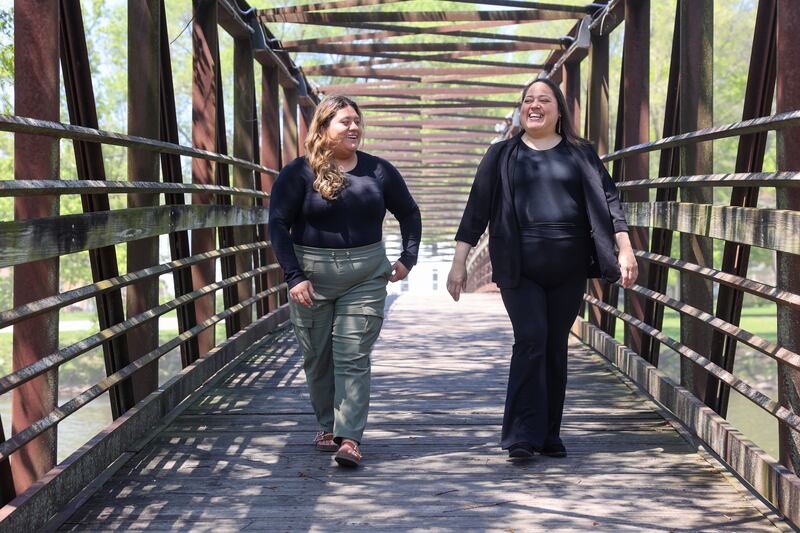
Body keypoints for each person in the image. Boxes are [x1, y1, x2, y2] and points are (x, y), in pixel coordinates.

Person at [446, 78, 638, 459]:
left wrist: (626, 249)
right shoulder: (501, 155)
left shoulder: (580, 153)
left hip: (568, 267)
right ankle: (520, 435)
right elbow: (476, 210)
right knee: (531, 339)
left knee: (554, 347)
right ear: (521, 109)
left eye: (544, 99)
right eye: (528, 99)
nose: (534, 105)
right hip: (519, 267)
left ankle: (549, 433)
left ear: (559, 109)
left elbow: (610, 200)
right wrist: (459, 263)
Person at [269, 95, 421, 468]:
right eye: (344, 122)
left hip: (366, 277)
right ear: (323, 128)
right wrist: (294, 276)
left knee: (352, 355)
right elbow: (277, 225)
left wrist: (408, 258)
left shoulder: (379, 171)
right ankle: (326, 424)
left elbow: (409, 212)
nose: (354, 127)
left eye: (357, 121)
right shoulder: (298, 173)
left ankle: (350, 438)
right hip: (311, 278)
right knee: (317, 356)